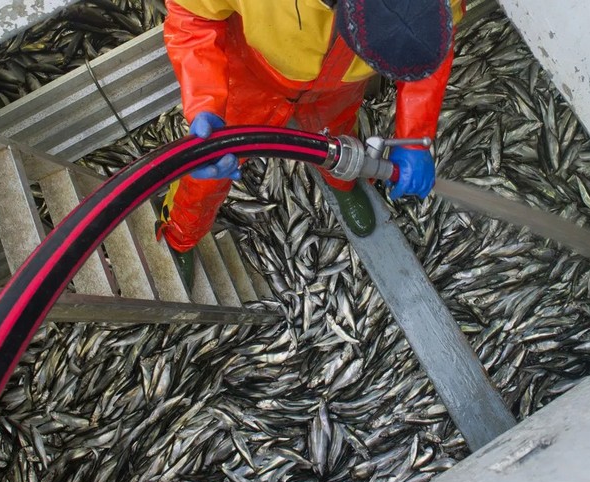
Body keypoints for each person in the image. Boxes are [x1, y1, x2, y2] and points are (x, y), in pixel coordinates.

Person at [157, 0, 465, 289]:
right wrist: (205, 103)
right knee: (207, 174)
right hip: (251, 76)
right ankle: (181, 233)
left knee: (343, 145)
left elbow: (431, 44)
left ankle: (343, 183)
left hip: (339, 90)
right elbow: (191, 15)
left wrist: (415, 135)